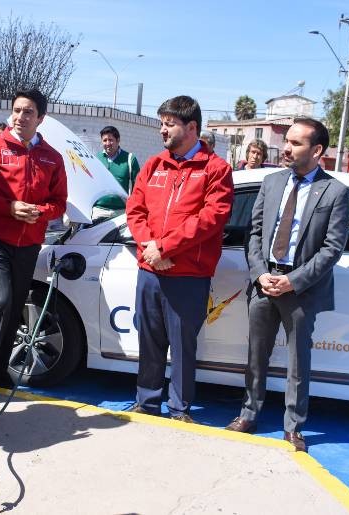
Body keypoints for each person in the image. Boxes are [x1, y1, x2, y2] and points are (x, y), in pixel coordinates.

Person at [224, 118, 349, 453]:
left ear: (317, 150)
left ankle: (293, 427)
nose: (287, 149)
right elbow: (254, 233)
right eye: (287, 141)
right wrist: (260, 273)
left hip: (301, 289)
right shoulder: (271, 182)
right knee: (255, 356)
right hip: (264, 282)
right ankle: (249, 414)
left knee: (298, 362)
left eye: (296, 143)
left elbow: (332, 248)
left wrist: (292, 281)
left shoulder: (335, 192)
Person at [125, 95, 233, 422]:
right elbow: (135, 210)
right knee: (150, 340)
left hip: (188, 275)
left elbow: (210, 218)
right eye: (162, 123)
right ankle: (147, 402)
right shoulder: (154, 165)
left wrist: (166, 248)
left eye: (169, 124)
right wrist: (150, 247)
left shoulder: (216, 169)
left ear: (191, 127)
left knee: (183, 346)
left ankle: (179, 409)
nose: (162, 130)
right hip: (150, 270)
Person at [0, 88, 67, 412]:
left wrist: (41, 212)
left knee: (13, 309)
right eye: (17, 110)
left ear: (41, 118)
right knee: (2, 301)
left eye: (28, 112)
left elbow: (59, 201)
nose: (21, 117)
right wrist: (9, 208)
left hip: (29, 242)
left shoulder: (52, 157)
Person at [92, 125, 140, 220]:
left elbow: (138, 187)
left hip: (121, 212)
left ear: (118, 140)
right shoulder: (96, 159)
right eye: (104, 140)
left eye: (111, 140)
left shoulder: (130, 159)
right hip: (99, 211)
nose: (108, 143)